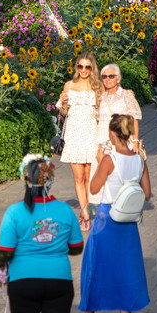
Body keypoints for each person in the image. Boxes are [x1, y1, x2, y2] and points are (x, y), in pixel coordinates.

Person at [0, 155, 84, 313]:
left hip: (23, 283)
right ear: (50, 182)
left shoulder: (14, 212)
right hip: (59, 282)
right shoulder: (65, 210)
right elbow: (77, 248)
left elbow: (5, 252)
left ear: (25, 180)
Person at [74, 114, 151, 313]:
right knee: (126, 271)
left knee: (93, 266)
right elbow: (147, 194)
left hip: (107, 219)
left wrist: (99, 160)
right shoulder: (139, 160)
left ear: (112, 133)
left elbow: (94, 187)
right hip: (128, 223)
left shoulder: (109, 159)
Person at [57, 52, 102, 230]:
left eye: (87, 67)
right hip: (74, 134)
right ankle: (84, 215)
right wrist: (63, 103)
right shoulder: (69, 85)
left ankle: (88, 210)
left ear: (92, 69)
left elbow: (103, 114)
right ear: (77, 67)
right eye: (80, 66)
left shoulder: (98, 86)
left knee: (89, 176)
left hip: (91, 133)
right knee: (78, 177)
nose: (83, 70)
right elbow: (64, 113)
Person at [95, 63, 141, 154]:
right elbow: (97, 120)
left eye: (111, 76)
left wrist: (135, 141)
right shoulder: (101, 97)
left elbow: (134, 119)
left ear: (118, 78)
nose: (107, 79)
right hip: (102, 140)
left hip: (122, 140)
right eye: (104, 77)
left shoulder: (127, 95)